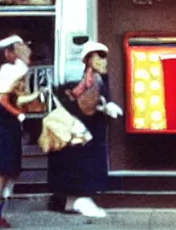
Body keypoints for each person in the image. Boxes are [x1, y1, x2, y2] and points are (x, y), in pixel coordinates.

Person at [47, 40, 122, 218]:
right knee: (84, 165)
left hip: (88, 132)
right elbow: (84, 104)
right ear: (88, 59)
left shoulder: (96, 79)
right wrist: (103, 107)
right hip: (85, 133)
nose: (104, 61)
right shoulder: (90, 80)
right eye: (100, 56)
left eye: (105, 57)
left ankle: (72, 202)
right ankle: (79, 200)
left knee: (84, 164)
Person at [0, 34, 42, 229]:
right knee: (0, 171)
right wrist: (19, 114)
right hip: (1, 125)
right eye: (19, 47)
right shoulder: (8, 70)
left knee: (8, 171)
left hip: (8, 126)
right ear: (9, 52)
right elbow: (3, 100)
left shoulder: (16, 69)